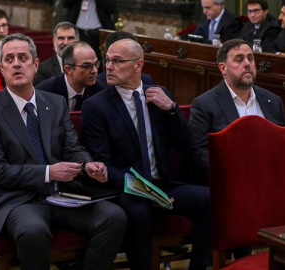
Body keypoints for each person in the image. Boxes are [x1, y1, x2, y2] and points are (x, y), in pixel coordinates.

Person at [0, 33, 126, 270]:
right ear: (1, 68)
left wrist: (87, 165)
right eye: (9, 59)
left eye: (23, 58)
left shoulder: (55, 103)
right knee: (33, 230)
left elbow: (72, 147)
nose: (16, 63)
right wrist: (48, 172)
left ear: (35, 65)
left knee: (114, 217)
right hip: (16, 199)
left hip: (61, 195)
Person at [81, 38, 212, 270]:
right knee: (140, 214)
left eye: (117, 61)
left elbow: (186, 145)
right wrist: (148, 193)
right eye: (107, 61)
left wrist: (171, 110)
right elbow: (104, 166)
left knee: (211, 200)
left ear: (138, 65)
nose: (108, 67)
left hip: (164, 184)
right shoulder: (96, 106)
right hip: (126, 188)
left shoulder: (158, 94)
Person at [189, 38, 285, 224]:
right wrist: (236, 173)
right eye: (239, 59)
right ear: (223, 68)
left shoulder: (272, 100)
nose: (247, 64)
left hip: (272, 176)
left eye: (250, 58)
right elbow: (199, 153)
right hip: (234, 179)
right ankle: (241, 249)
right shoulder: (205, 104)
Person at [36, 41, 103, 111]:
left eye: (96, 64)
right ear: (68, 69)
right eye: (86, 66)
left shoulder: (100, 92)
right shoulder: (45, 94)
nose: (94, 71)